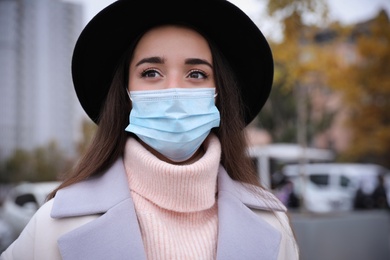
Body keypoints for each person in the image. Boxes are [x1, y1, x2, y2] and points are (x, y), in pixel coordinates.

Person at [1, 0, 299, 259]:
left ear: (220, 93)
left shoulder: (273, 224)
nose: (173, 91)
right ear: (125, 93)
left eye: (196, 73)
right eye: (151, 73)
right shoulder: (52, 226)